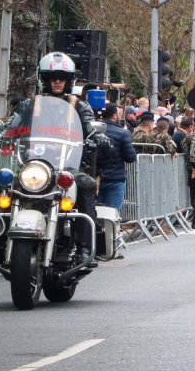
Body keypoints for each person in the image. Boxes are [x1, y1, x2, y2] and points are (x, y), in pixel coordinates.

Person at [9, 52, 101, 264]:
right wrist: (0, 134)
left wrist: (98, 135)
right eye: (52, 77)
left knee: (86, 184)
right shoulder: (29, 105)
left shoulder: (79, 106)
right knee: (6, 180)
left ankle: (85, 248)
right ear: (44, 79)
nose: (57, 81)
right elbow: (12, 124)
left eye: (62, 77)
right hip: (33, 166)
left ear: (69, 80)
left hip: (67, 166)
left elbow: (89, 125)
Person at [97, 103, 136, 220]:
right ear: (114, 116)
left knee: (95, 213)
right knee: (112, 215)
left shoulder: (94, 131)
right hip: (115, 179)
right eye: (119, 114)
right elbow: (131, 157)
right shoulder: (122, 133)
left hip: (96, 178)